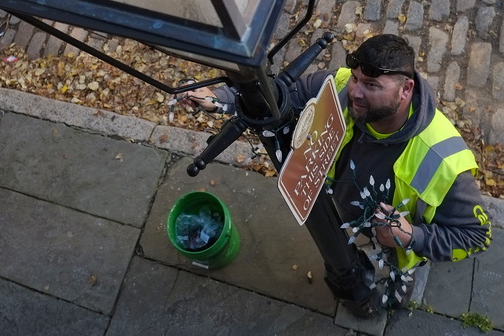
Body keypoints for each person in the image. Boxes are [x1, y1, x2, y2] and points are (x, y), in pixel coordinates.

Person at [178, 34, 492, 306]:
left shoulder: (443, 159)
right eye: (356, 78)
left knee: (393, 288)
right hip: (341, 213)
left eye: (371, 85)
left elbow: (477, 237)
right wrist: (221, 99)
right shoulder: (341, 87)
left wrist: (411, 237)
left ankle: (400, 280)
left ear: (406, 89)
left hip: (395, 249)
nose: (355, 91)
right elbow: (284, 95)